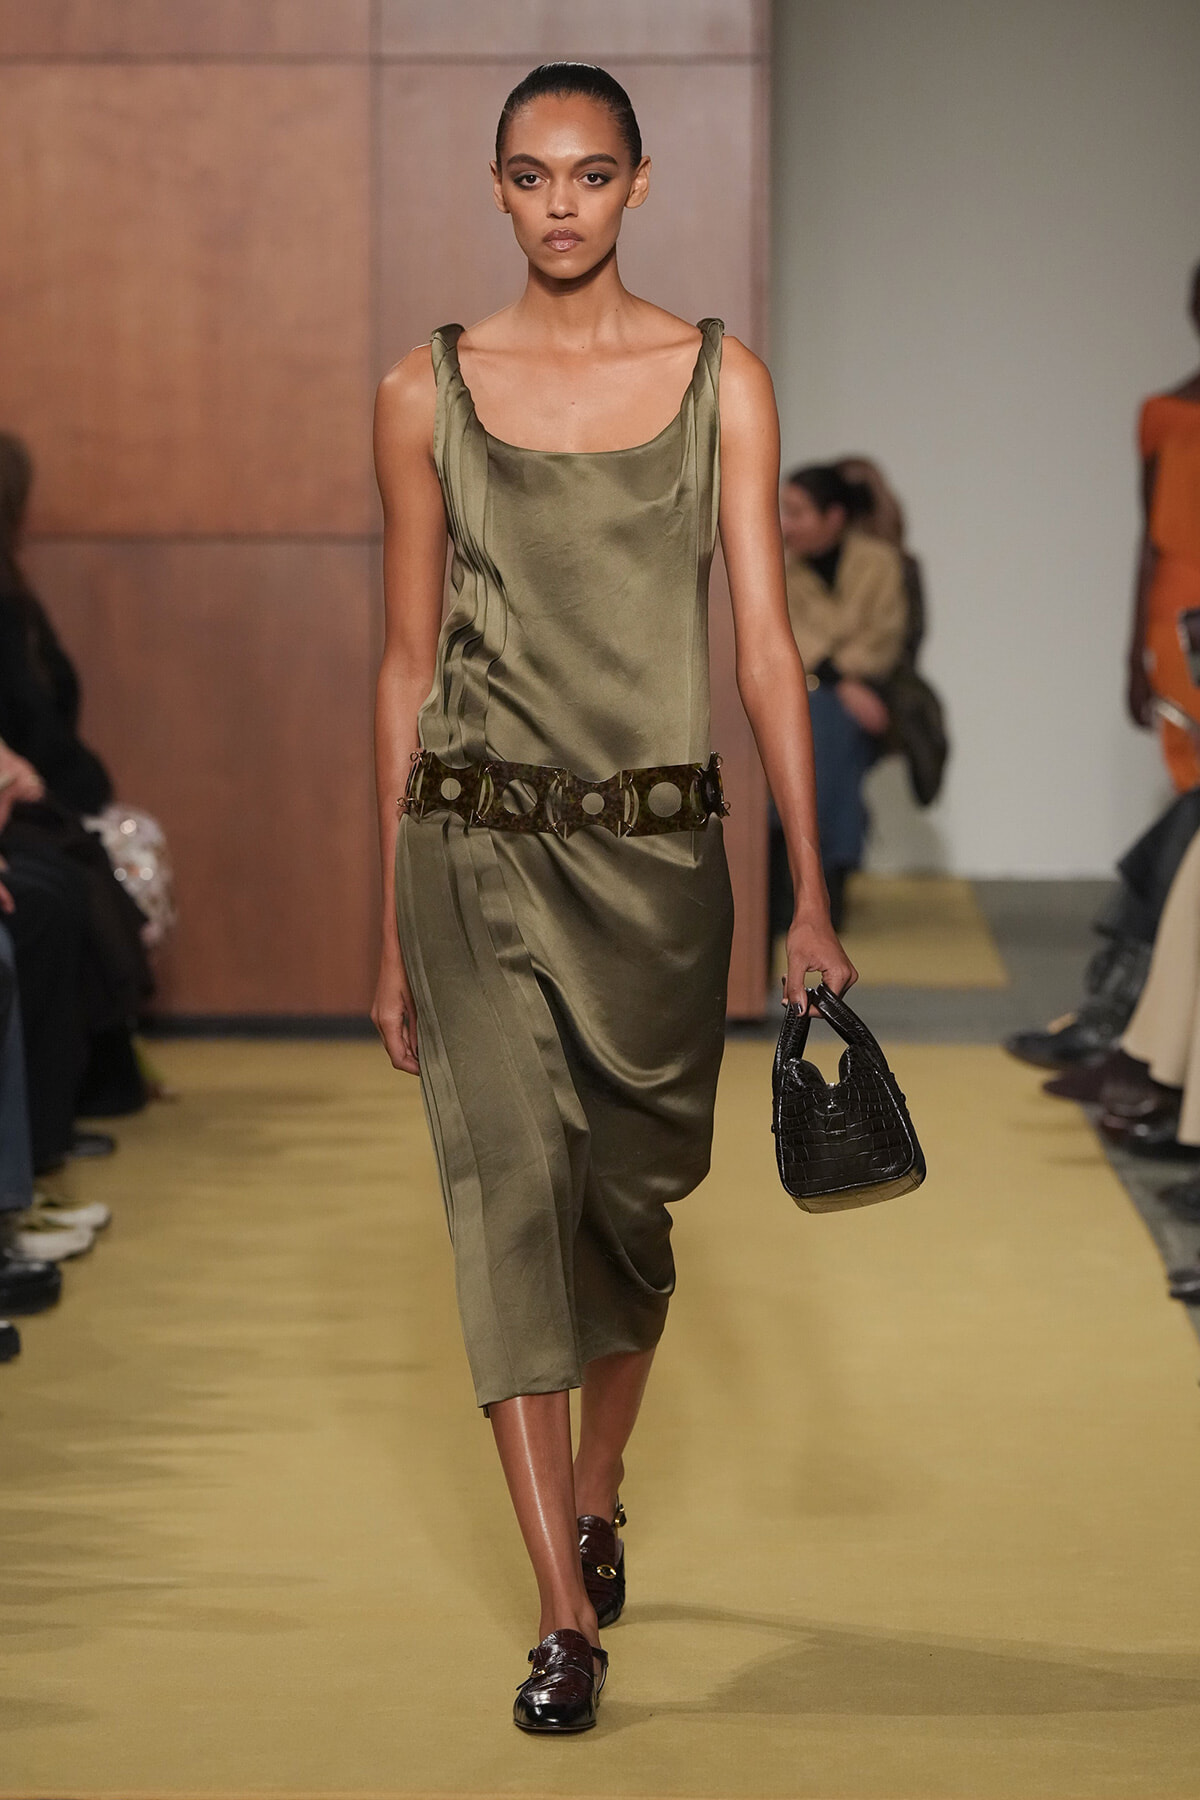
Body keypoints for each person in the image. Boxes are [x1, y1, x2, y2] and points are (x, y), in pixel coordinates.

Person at [371, 63, 854, 1732]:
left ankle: (599, 1486)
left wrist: (806, 895)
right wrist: (386, 919)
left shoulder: (721, 381)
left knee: (630, 1212)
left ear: (639, 183)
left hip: (658, 869)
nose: (560, 202)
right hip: (472, 845)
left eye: (589, 173)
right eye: (530, 174)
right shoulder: (424, 390)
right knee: (509, 1206)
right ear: (496, 188)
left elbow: (768, 649)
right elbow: (404, 663)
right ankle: (563, 1618)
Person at [776, 464, 908, 928]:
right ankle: (833, 865)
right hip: (809, 693)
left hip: (871, 691)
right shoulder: (777, 564)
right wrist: (838, 680)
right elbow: (780, 637)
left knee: (825, 723)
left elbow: (884, 638)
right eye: (783, 511)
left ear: (833, 517)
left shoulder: (878, 562)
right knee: (824, 718)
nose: (785, 524)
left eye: (796, 512)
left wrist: (832, 670)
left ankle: (803, 874)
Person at [1127, 260, 1200, 790]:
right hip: (1178, 611)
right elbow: (1148, 535)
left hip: (1176, 608)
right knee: (1190, 765)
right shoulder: (1163, 416)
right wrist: (1133, 657)